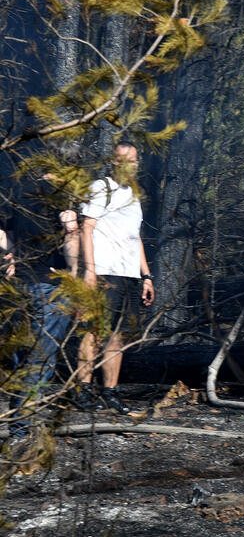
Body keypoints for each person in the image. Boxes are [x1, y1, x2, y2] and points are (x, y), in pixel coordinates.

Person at [75, 141, 155, 414]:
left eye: (133, 161)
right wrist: (89, 270)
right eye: (123, 160)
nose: (129, 165)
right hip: (104, 272)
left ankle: (110, 392)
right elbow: (87, 228)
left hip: (128, 275)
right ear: (113, 162)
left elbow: (136, 237)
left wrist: (146, 275)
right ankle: (83, 391)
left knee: (118, 336)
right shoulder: (101, 188)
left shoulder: (133, 195)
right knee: (95, 332)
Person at [1, 184, 76, 441]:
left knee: (21, 358)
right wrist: (75, 273)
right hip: (49, 286)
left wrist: (12, 253)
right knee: (40, 360)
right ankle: (21, 431)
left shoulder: (21, 191)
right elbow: (71, 231)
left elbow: (3, 234)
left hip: (20, 285)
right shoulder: (63, 193)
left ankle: (18, 424)